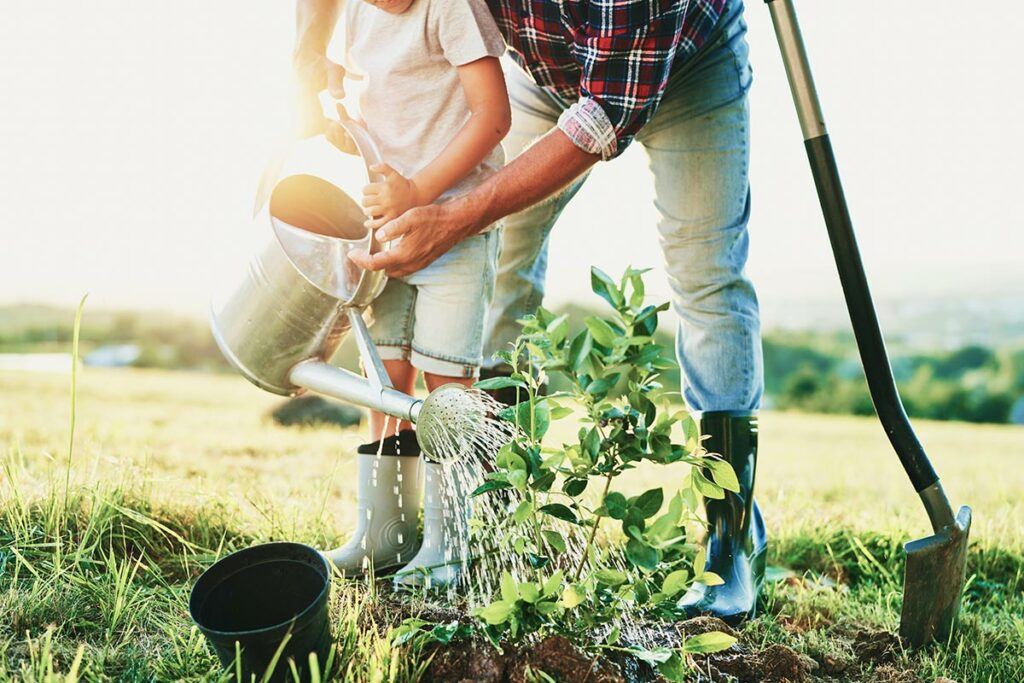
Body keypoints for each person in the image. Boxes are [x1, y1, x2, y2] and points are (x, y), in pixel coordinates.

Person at [300, 0, 766, 623]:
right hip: (541, 71)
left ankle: (731, 540)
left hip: (683, 66)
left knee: (706, 279)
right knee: (499, 274)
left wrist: (460, 214)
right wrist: (308, 53)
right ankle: (484, 518)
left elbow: (605, 114)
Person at [294, 0, 510, 588]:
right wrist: (341, 114)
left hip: (455, 234)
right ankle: (384, 535)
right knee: (384, 383)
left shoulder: (451, 9)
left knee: (447, 392)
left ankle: (448, 545)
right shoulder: (357, 16)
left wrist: (418, 189)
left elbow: (493, 117)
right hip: (387, 234)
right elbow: (378, 108)